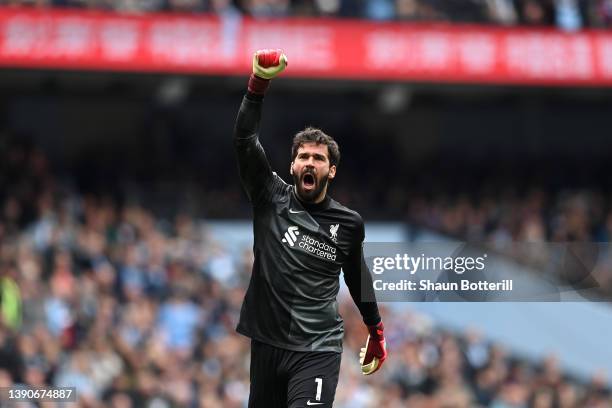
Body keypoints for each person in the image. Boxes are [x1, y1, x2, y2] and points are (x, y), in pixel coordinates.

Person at [234, 49, 387, 408]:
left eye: (318, 158)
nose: (310, 162)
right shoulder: (269, 196)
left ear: (330, 171)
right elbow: (244, 141)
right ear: (292, 165)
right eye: (303, 156)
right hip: (267, 345)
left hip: (317, 349)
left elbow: (357, 276)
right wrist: (257, 86)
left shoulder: (349, 223)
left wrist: (375, 329)